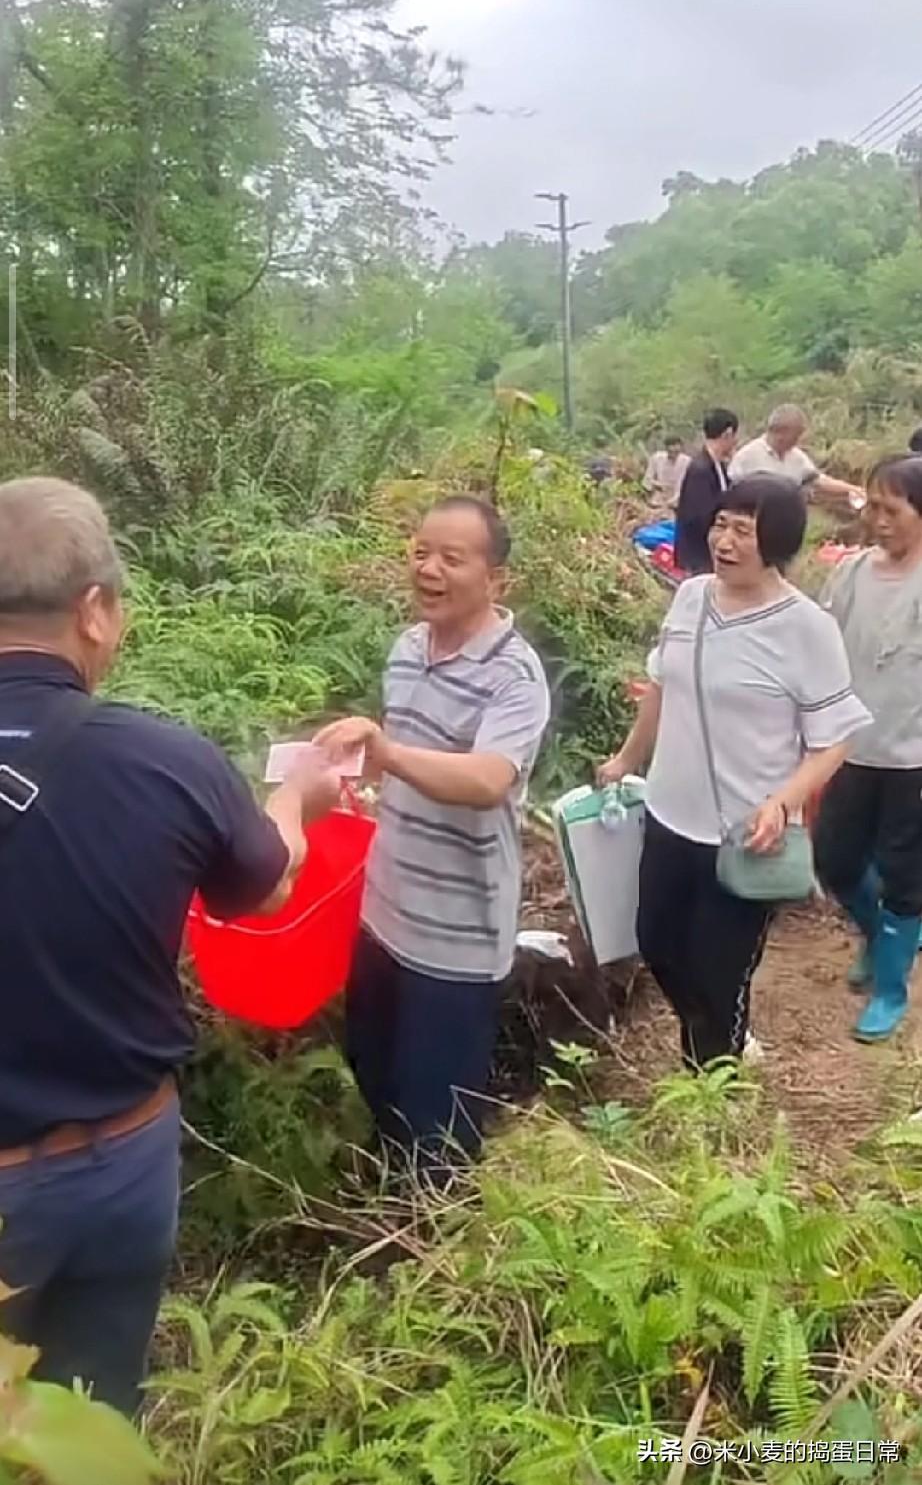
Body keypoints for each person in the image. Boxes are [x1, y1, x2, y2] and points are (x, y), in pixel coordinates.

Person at [0, 477, 341, 1413]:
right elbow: (266, 887)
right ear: (94, 610)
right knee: (95, 1421)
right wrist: (294, 799)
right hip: (118, 1164)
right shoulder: (165, 758)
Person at [316, 496, 550, 1184]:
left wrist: (386, 753)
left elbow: (486, 779)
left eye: (452, 558)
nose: (429, 570)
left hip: (456, 936)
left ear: (497, 578)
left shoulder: (514, 675)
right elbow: (404, 760)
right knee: (376, 1077)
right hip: (384, 911)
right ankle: (392, 1212)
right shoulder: (408, 649)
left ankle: (439, 1233)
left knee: (438, 1126)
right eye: (421, 553)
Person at [599, 476, 870, 1068]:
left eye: (743, 530)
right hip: (670, 814)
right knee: (656, 942)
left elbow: (836, 738)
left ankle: (711, 1080)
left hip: (748, 833)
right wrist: (626, 759)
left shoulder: (806, 628)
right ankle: (719, 1035)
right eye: (721, 524)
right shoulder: (691, 596)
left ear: (777, 541)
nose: (724, 541)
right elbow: (661, 685)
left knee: (718, 976)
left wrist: (783, 802)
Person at [814, 455, 922, 1043]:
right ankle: (879, 937)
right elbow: (818, 645)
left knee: (905, 874)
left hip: (912, 760)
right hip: (850, 749)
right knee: (835, 860)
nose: (877, 520)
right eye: (872, 507)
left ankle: (889, 988)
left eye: (892, 510)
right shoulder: (853, 573)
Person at [729, 404, 857, 504]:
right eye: (797, 434)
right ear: (781, 432)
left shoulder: (797, 457)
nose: (799, 439)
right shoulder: (747, 457)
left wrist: (852, 489)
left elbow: (818, 481)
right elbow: (731, 492)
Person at [674, 409, 740, 575]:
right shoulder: (701, 469)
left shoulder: (718, 466)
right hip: (700, 553)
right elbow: (699, 516)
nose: (736, 442)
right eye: (734, 436)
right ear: (727, 434)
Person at [644, 437, 691, 506]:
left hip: (679, 501)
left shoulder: (687, 462)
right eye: (671, 451)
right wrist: (658, 485)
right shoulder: (657, 458)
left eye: (676, 452)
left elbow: (689, 484)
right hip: (658, 500)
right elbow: (647, 480)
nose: (674, 454)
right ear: (666, 449)